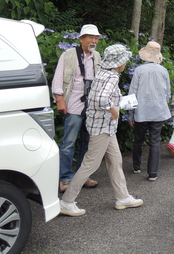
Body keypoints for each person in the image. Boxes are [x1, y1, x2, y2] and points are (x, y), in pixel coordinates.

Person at [60, 44, 143, 216]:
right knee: (90, 164)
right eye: (124, 60)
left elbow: (96, 97)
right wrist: (113, 110)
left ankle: (123, 197)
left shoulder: (103, 72)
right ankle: (66, 201)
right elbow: (100, 99)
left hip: (104, 126)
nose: (126, 63)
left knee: (115, 161)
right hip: (102, 127)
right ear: (117, 62)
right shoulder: (112, 76)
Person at [52, 24, 101, 193]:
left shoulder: (97, 56)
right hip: (73, 103)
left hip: (92, 106)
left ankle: (82, 175)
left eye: (96, 38)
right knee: (68, 143)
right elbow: (58, 77)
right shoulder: (69, 55)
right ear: (81, 39)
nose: (93, 40)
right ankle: (65, 177)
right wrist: (59, 99)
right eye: (90, 37)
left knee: (87, 143)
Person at [127, 41, 171, 181]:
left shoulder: (139, 70)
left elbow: (132, 92)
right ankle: (153, 173)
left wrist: (130, 114)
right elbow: (167, 93)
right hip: (158, 109)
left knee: (138, 139)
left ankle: (137, 166)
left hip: (142, 109)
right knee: (155, 140)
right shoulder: (163, 70)